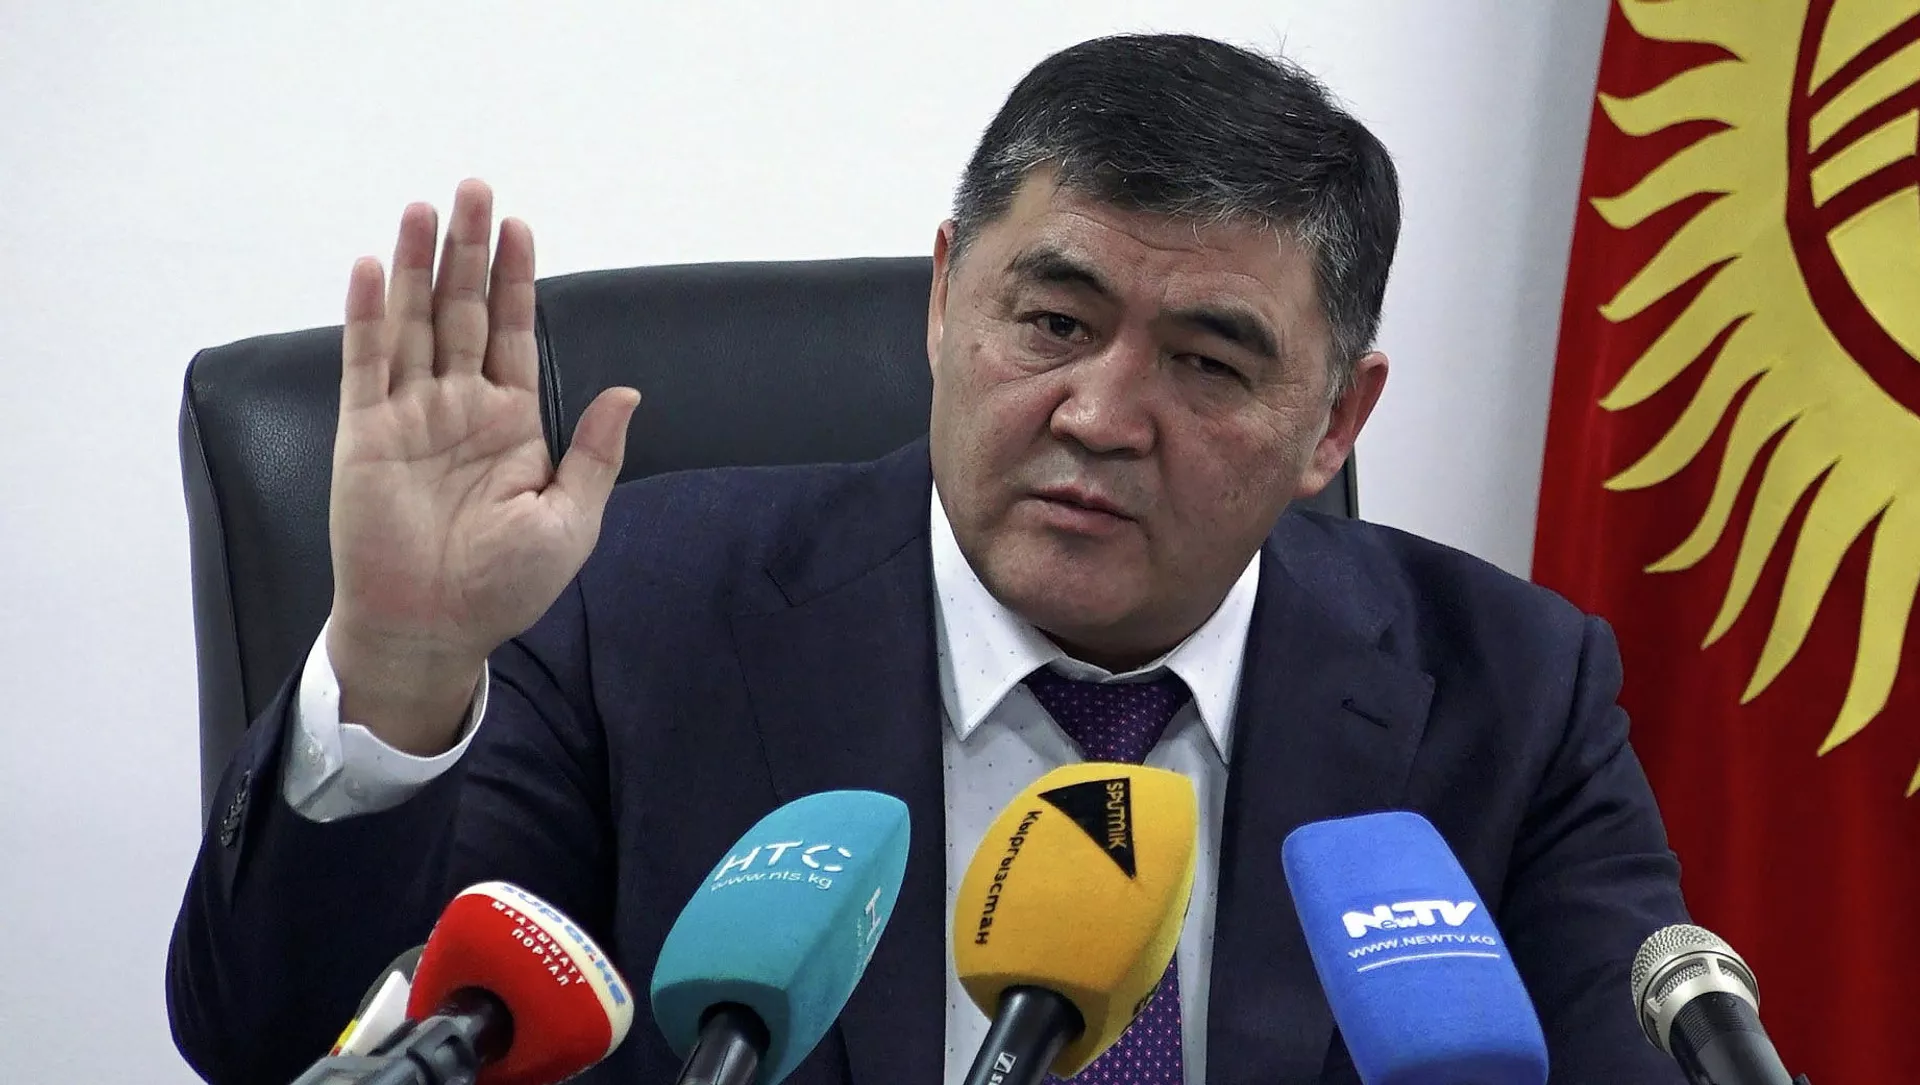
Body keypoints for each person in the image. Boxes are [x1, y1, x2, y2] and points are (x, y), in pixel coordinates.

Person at [167, 33, 1691, 1085]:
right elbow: (287, 1045)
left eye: (1209, 363)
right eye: (1054, 322)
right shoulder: (629, 611)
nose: (1100, 415)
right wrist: (408, 667)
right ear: (946, 297)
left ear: (1335, 424)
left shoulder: (1511, 691)